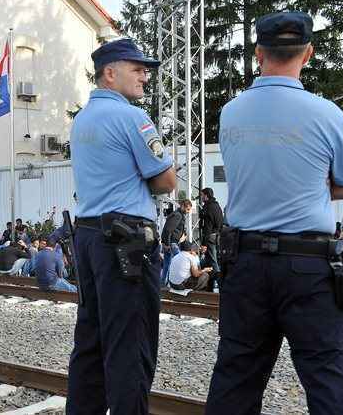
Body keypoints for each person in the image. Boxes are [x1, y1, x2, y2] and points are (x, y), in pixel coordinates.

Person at [205, 12, 343, 414]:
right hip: (310, 267)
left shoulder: (231, 112)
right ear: (307, 54)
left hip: (245, 261)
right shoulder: (328, 114)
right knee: (327, 380)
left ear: (259, 53)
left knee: (236, 378)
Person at [67, 38, 176, 414]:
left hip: (89, 236)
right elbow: (166, 180)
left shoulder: (82, 119)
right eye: (137, 68)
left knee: (91, 342)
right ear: (110, 73)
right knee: (131, 346)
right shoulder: (132, 118)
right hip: (127, 242)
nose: (145, 76)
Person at [160, 199, 191, 286]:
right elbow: (168, 230)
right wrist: (166, 244)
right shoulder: (178, 215)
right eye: (188, 209)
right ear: (183, 206)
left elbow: (168, 229)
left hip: (171, 242)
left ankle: (163, 284)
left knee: (167, 264)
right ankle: (172, 283)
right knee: (177, 264)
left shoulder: (177, 214)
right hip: (172, 243)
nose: (188, 212)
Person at [199, 187, 224, 285]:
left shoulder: (208, 208)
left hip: (210, 237)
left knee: (213, 261)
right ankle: (210, 283)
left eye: (202, 195)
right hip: (218, 236)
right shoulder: (217, 206)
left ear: (206, 196)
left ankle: (220, 283)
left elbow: (207, 227)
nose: (201, 197)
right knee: (211, 260)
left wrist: (204, 243)